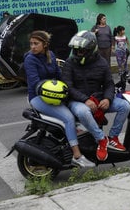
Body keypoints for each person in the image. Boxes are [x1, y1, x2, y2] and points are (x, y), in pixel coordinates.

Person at [24, 30, 94, 168]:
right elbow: (34, 83)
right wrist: (52, 90)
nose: (33, 46)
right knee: (68, 118)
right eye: (31, 43)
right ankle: (77, 156)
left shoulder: (50, 55)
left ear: (45, 44)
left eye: (36, 43)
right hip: (38, 97)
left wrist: (70, 86)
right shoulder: (30, 59)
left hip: (54, 96)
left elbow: (58, 75)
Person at [62, 30, 130, 161]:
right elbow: (68, 87)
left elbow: (109, 84)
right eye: (76, 50)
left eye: (81, 51)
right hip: (77, 100)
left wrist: (107, 99)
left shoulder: (102, 62)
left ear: (90, 49)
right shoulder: (70, 63)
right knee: (83, 112)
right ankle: (101, 139)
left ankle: (113, 137)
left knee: (124, 106)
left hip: (98, 99)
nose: (77, 53)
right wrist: (85, 99)